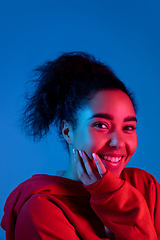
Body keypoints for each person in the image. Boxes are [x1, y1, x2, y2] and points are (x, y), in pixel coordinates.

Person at [1, 52, 160, 240]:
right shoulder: (42, 208)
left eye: (128, 127)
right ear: (68, 131)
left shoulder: (144, 186)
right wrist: (112, 197)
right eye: (101, 125)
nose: (118, 143)